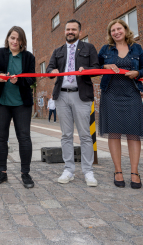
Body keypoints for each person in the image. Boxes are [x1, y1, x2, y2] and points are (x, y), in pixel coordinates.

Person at [46, 19, 100, 187]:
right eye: (68, 29)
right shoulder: (58, 50)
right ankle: (69, 169)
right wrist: (52, 71)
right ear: (65, 31)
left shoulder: (88, 48)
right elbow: (49, 70)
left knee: (85, 135)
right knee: (66, 135)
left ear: (79, 32)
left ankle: (88, 171)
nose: (70, 32)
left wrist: (88, 70)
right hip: (61, 96)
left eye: (73, 29)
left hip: (81, 95)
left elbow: (96, 68)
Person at [98, 19, 143, 189]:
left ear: (126, 30)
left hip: (132, 93)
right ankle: (118, 171)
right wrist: (105, 65)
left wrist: (138, 72)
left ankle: (135, 172)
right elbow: (96, 65)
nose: (116, 32)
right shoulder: (106, 49)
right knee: (114, 133)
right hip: (110, 94)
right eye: (113, 30)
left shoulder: (137, 48)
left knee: (133, 133)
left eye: (119, 29)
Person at [0, 26, 36, 188]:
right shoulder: (0, 52)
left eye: (18, 39)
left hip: (22, 103)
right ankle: (2, 172)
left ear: (23, 41)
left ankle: (25, 173)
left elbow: (31, 79)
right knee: (1, 137)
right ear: (8, 38)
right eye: (12, 38)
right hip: (1, 102)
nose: (15, 41)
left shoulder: (28, 57)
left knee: (24, 137)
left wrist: (19, 81)